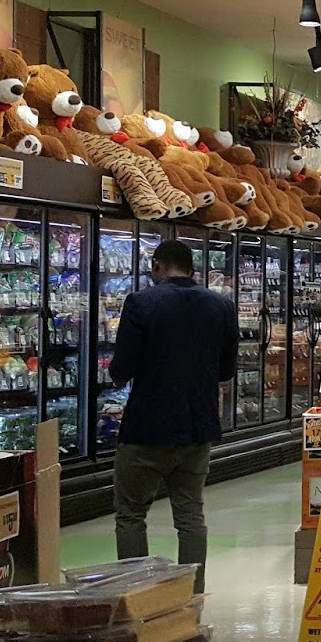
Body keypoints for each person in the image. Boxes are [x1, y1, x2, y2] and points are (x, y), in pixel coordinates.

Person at [109, 240, 238, 591]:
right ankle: (192, 596)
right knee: (190, 515)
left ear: (156, 266)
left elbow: (121, 368)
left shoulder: (141, 302)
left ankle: (137, 593)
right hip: (197, 427)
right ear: (193, 269)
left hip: (146, 428)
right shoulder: (221, 306)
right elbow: (226, 371)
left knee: (131, 515)